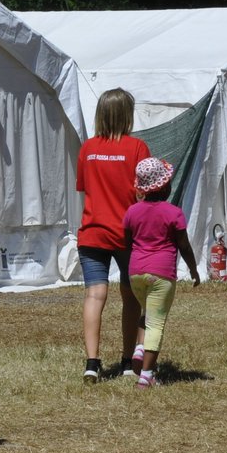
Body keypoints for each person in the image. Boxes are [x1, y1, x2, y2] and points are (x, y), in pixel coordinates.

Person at [76, 88, 150, 382]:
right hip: (128, 234)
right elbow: (145, 191)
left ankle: (92, 362)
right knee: (131, 297)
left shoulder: (88, 148)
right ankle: (127, 360)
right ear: (126, 114)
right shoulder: (137, 148)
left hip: (92, 232)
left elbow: (84, 187)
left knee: (95, 295)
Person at [121, 158, 201, 388]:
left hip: (136, 273)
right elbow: (184, 245)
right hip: (162, 274)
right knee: (157, 322)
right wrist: (194, 269)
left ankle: (139, 348)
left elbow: (127, 243)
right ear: (165, 186)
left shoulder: (132, 212)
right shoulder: (173, 213)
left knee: (146, 311)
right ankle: (146, 376)